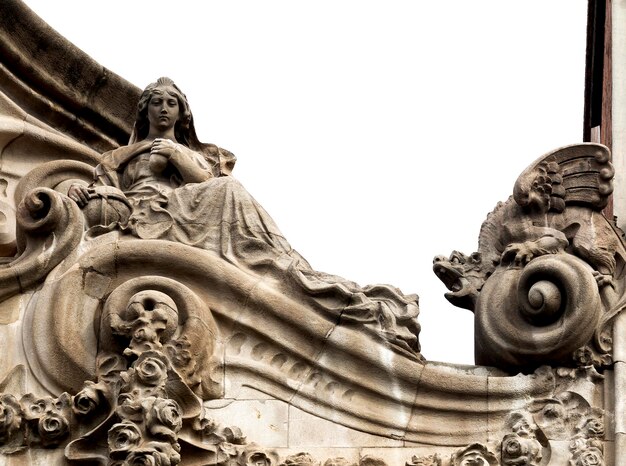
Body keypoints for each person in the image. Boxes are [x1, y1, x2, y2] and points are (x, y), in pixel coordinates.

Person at [68, 77, 422, 356]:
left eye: (171, 103)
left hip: (191, 207)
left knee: (228, 189)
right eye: (157, 103)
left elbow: (206, 181)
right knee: (227, 190)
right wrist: (80, 193)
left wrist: (176, 155)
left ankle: (277, 262)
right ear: (145, 111)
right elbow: (105, 192)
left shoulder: (193, 154)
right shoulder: (121, 156)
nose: (164, 109)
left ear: (182, 113)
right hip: (142, 213)